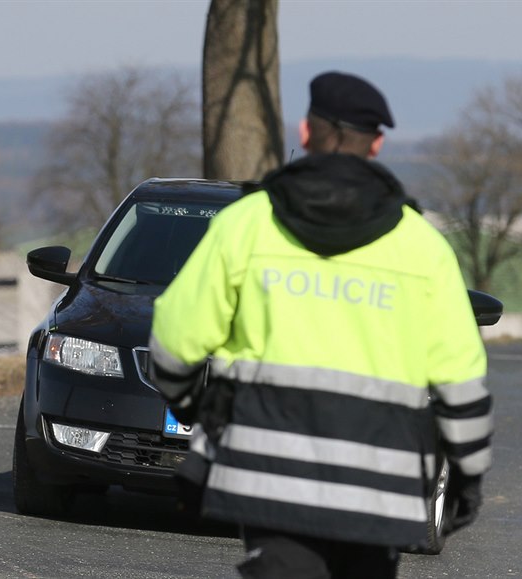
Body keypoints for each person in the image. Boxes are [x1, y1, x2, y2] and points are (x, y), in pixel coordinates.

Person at [148, 71, 492, 577]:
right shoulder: (422, 247)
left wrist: (193, 406)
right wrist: (468, 475)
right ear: (375, 144)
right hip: (380, 487)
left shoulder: (248, 224)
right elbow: (461, 379)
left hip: (267, 478)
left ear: (306, 133)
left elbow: (175, 340)